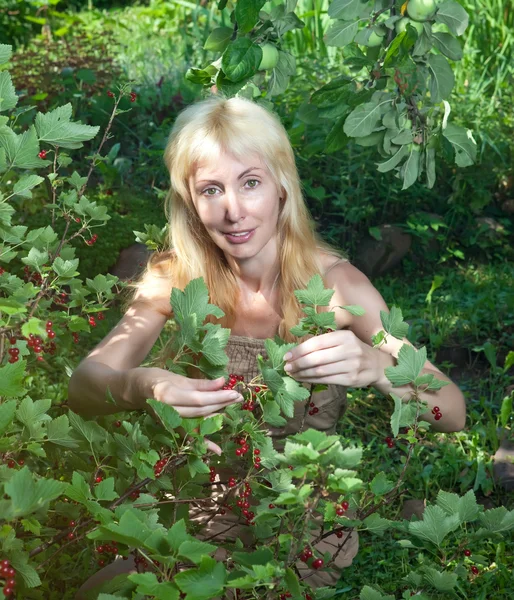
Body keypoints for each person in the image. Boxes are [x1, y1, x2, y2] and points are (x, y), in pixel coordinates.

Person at [69, 94, 466, 597]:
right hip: (188, 514)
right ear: (190, 202)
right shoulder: (176, 279)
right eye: (211, 189)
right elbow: (82, 390)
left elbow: (450, 411)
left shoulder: (340, 288)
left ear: (282, 186)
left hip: (292, 527)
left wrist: (377, 368)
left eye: (250, 182)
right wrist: (142, 383)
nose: (233, 211)